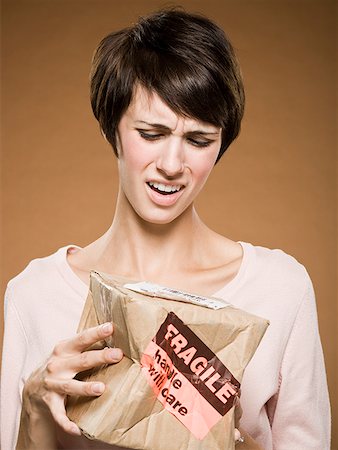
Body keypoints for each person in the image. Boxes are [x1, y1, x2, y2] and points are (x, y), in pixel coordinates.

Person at [1, 8, 330, 450]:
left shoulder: (280, 289)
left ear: (220, 146)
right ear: (111, 128)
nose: (172, 165)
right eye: (151, 133)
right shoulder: (36, 294)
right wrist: (38, 408)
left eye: (198, 140)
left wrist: (226, 438)